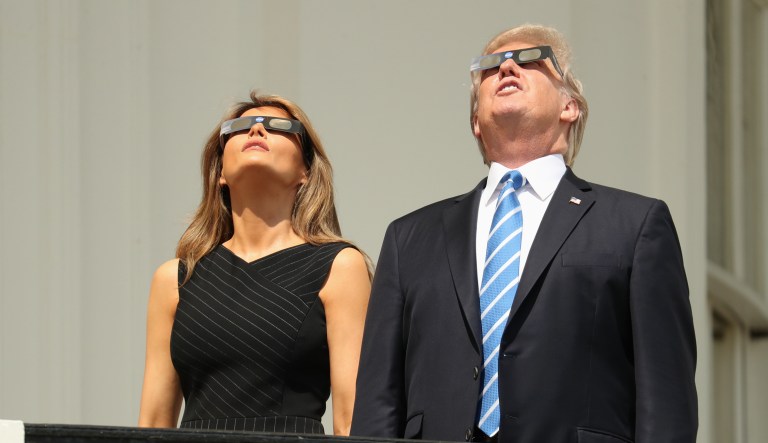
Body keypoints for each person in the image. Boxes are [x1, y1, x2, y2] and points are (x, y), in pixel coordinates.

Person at [351, 24, 697, 443]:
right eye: (490, 67)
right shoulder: (409, 239)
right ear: (475, 121)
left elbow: (667, 400)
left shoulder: (635, 225)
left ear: (571, 106)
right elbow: (378, 403)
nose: (508, 67)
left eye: (532, 60)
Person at [138, 92, 371, 436]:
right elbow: (153, 425)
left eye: (278, 126)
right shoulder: (175, 279)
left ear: (305, 170)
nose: (256, 131)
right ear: (220, 173)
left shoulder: (339, 267)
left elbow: (351, 420)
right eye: (239, 127)